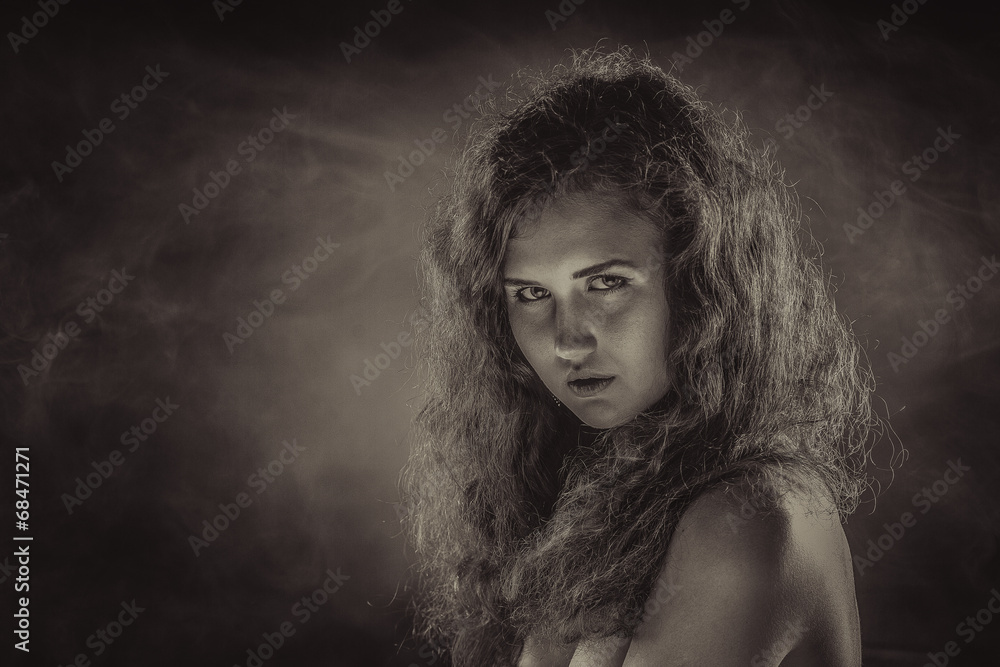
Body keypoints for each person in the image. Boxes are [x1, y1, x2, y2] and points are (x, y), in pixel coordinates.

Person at [401, 46, 875, 666]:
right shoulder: (583, 496)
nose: (568, 340)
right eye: (532, 294)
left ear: (700, 284)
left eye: (606, 283)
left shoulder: (750, 517)